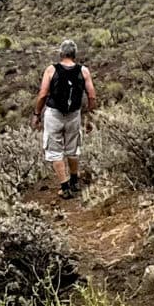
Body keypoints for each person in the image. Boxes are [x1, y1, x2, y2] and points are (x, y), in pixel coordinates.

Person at [35, 40, 97, 198]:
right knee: (73, 148)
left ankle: (65, 187)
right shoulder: (83, 71)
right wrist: (90, 116)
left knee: (55, 151)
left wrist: (37, 114)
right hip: (74, 115)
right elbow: (92, 96)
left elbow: (43, 94)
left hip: (54, 114)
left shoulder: (51, 70)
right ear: (74, 54)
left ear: (61, 53)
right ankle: (75, 181)